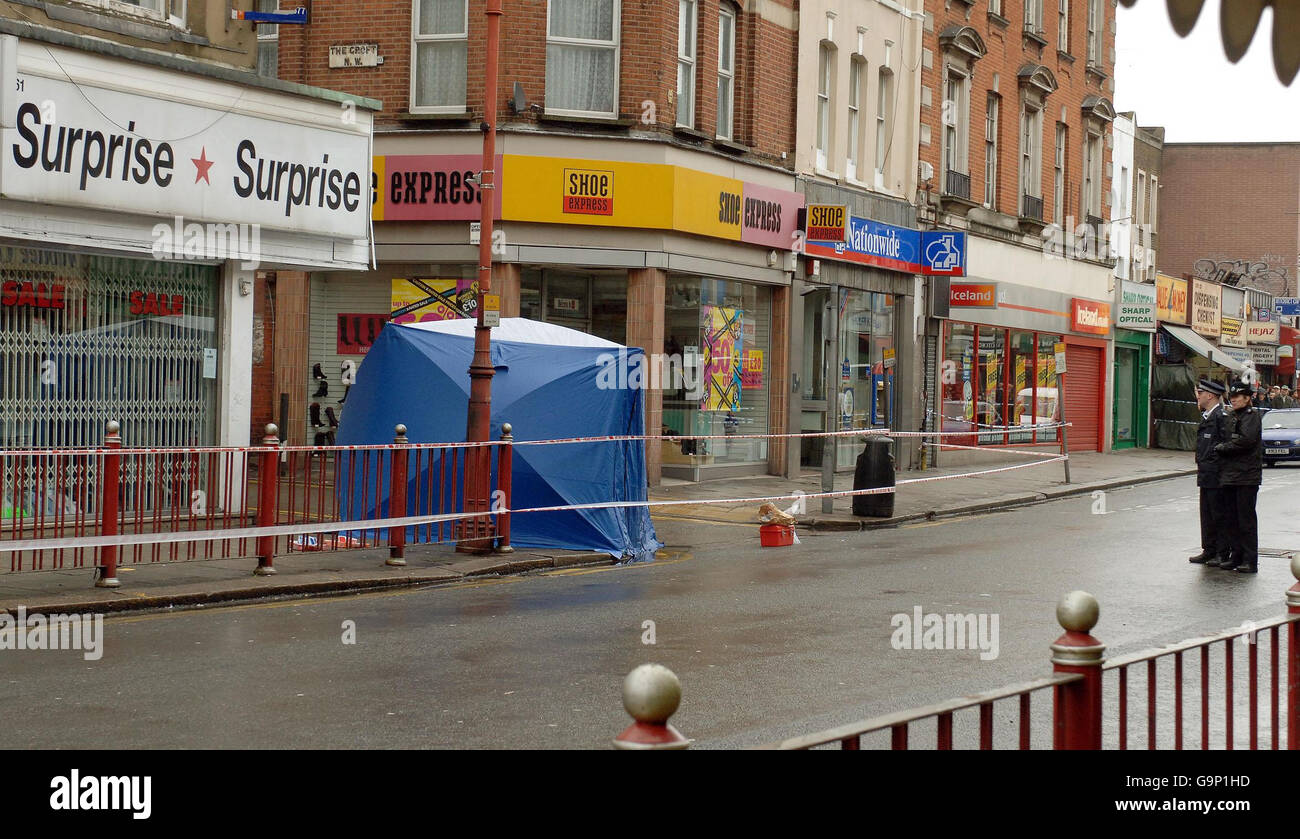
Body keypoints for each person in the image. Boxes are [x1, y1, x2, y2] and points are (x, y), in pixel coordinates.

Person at [1215, 380, 1264, 574]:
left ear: (1247, 398)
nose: (1233, 400)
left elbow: (1246, 441)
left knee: (1246, 520)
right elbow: (1227, 438)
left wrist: (1224, 447)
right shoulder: (1232, 416)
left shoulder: (1251, 416)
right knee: (1231, 519)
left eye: (1237, 397)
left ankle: (1250, 560)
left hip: (1246, 475)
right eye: (1232, 397)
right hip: (1230, 474)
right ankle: (1236, 556)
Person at [1189, 379, 1232, 566]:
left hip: (1216, 474)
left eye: (1200, 392)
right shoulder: (1207, 415)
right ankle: (1209, 549)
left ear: (1210, 395)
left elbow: (1225, 446)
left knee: (1218, 514)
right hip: (1206, 473)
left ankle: (1221, 552)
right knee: (1206, 514)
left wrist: (1215, 465)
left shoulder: (1221, 417)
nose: (1198, 396)